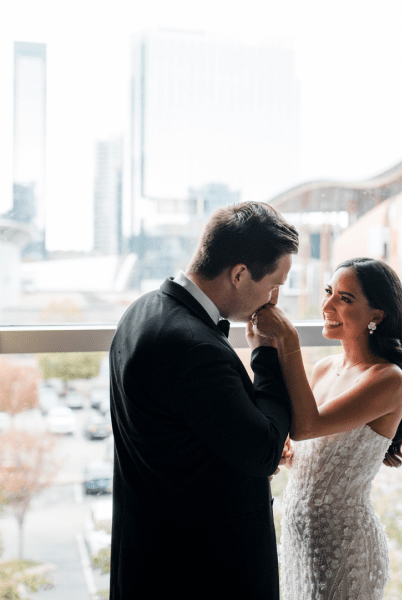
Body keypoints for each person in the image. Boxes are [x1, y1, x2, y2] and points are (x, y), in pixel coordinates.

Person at [108, 202, 298, 599]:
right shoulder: (193, 346)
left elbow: (190, 433)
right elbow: (263, 450)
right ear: (240, 274)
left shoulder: (141, 311)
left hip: (151, 556)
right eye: (273, 283)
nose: (274, 298)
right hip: (203, 572)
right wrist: (267, 350)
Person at [252, 257, 402, 600]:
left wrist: (288, 339)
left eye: (345, 298)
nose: (327, 304)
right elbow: (313, 447)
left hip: (345, 548)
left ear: (377, 314)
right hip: (299, 541)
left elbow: (306, 425)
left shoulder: (388, 379)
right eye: (329, 292)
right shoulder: (325, 368)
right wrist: (289, 457)